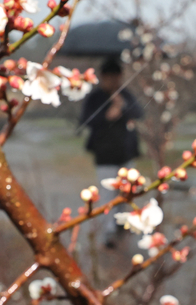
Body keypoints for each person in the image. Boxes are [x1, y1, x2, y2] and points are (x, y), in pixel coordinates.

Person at [80, 57, 143, 248]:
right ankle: (108, 233)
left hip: (126, 152)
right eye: (110, 78)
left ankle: (121, 224)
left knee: (126, 193)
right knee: (107, 194)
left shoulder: (125, 95)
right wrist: (108, 115)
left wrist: (122, 105)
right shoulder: (95, 97)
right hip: (105, 155)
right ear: (102, 77)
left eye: (117, 77)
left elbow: (140, 112)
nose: (114, 82)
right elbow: (86, 120)